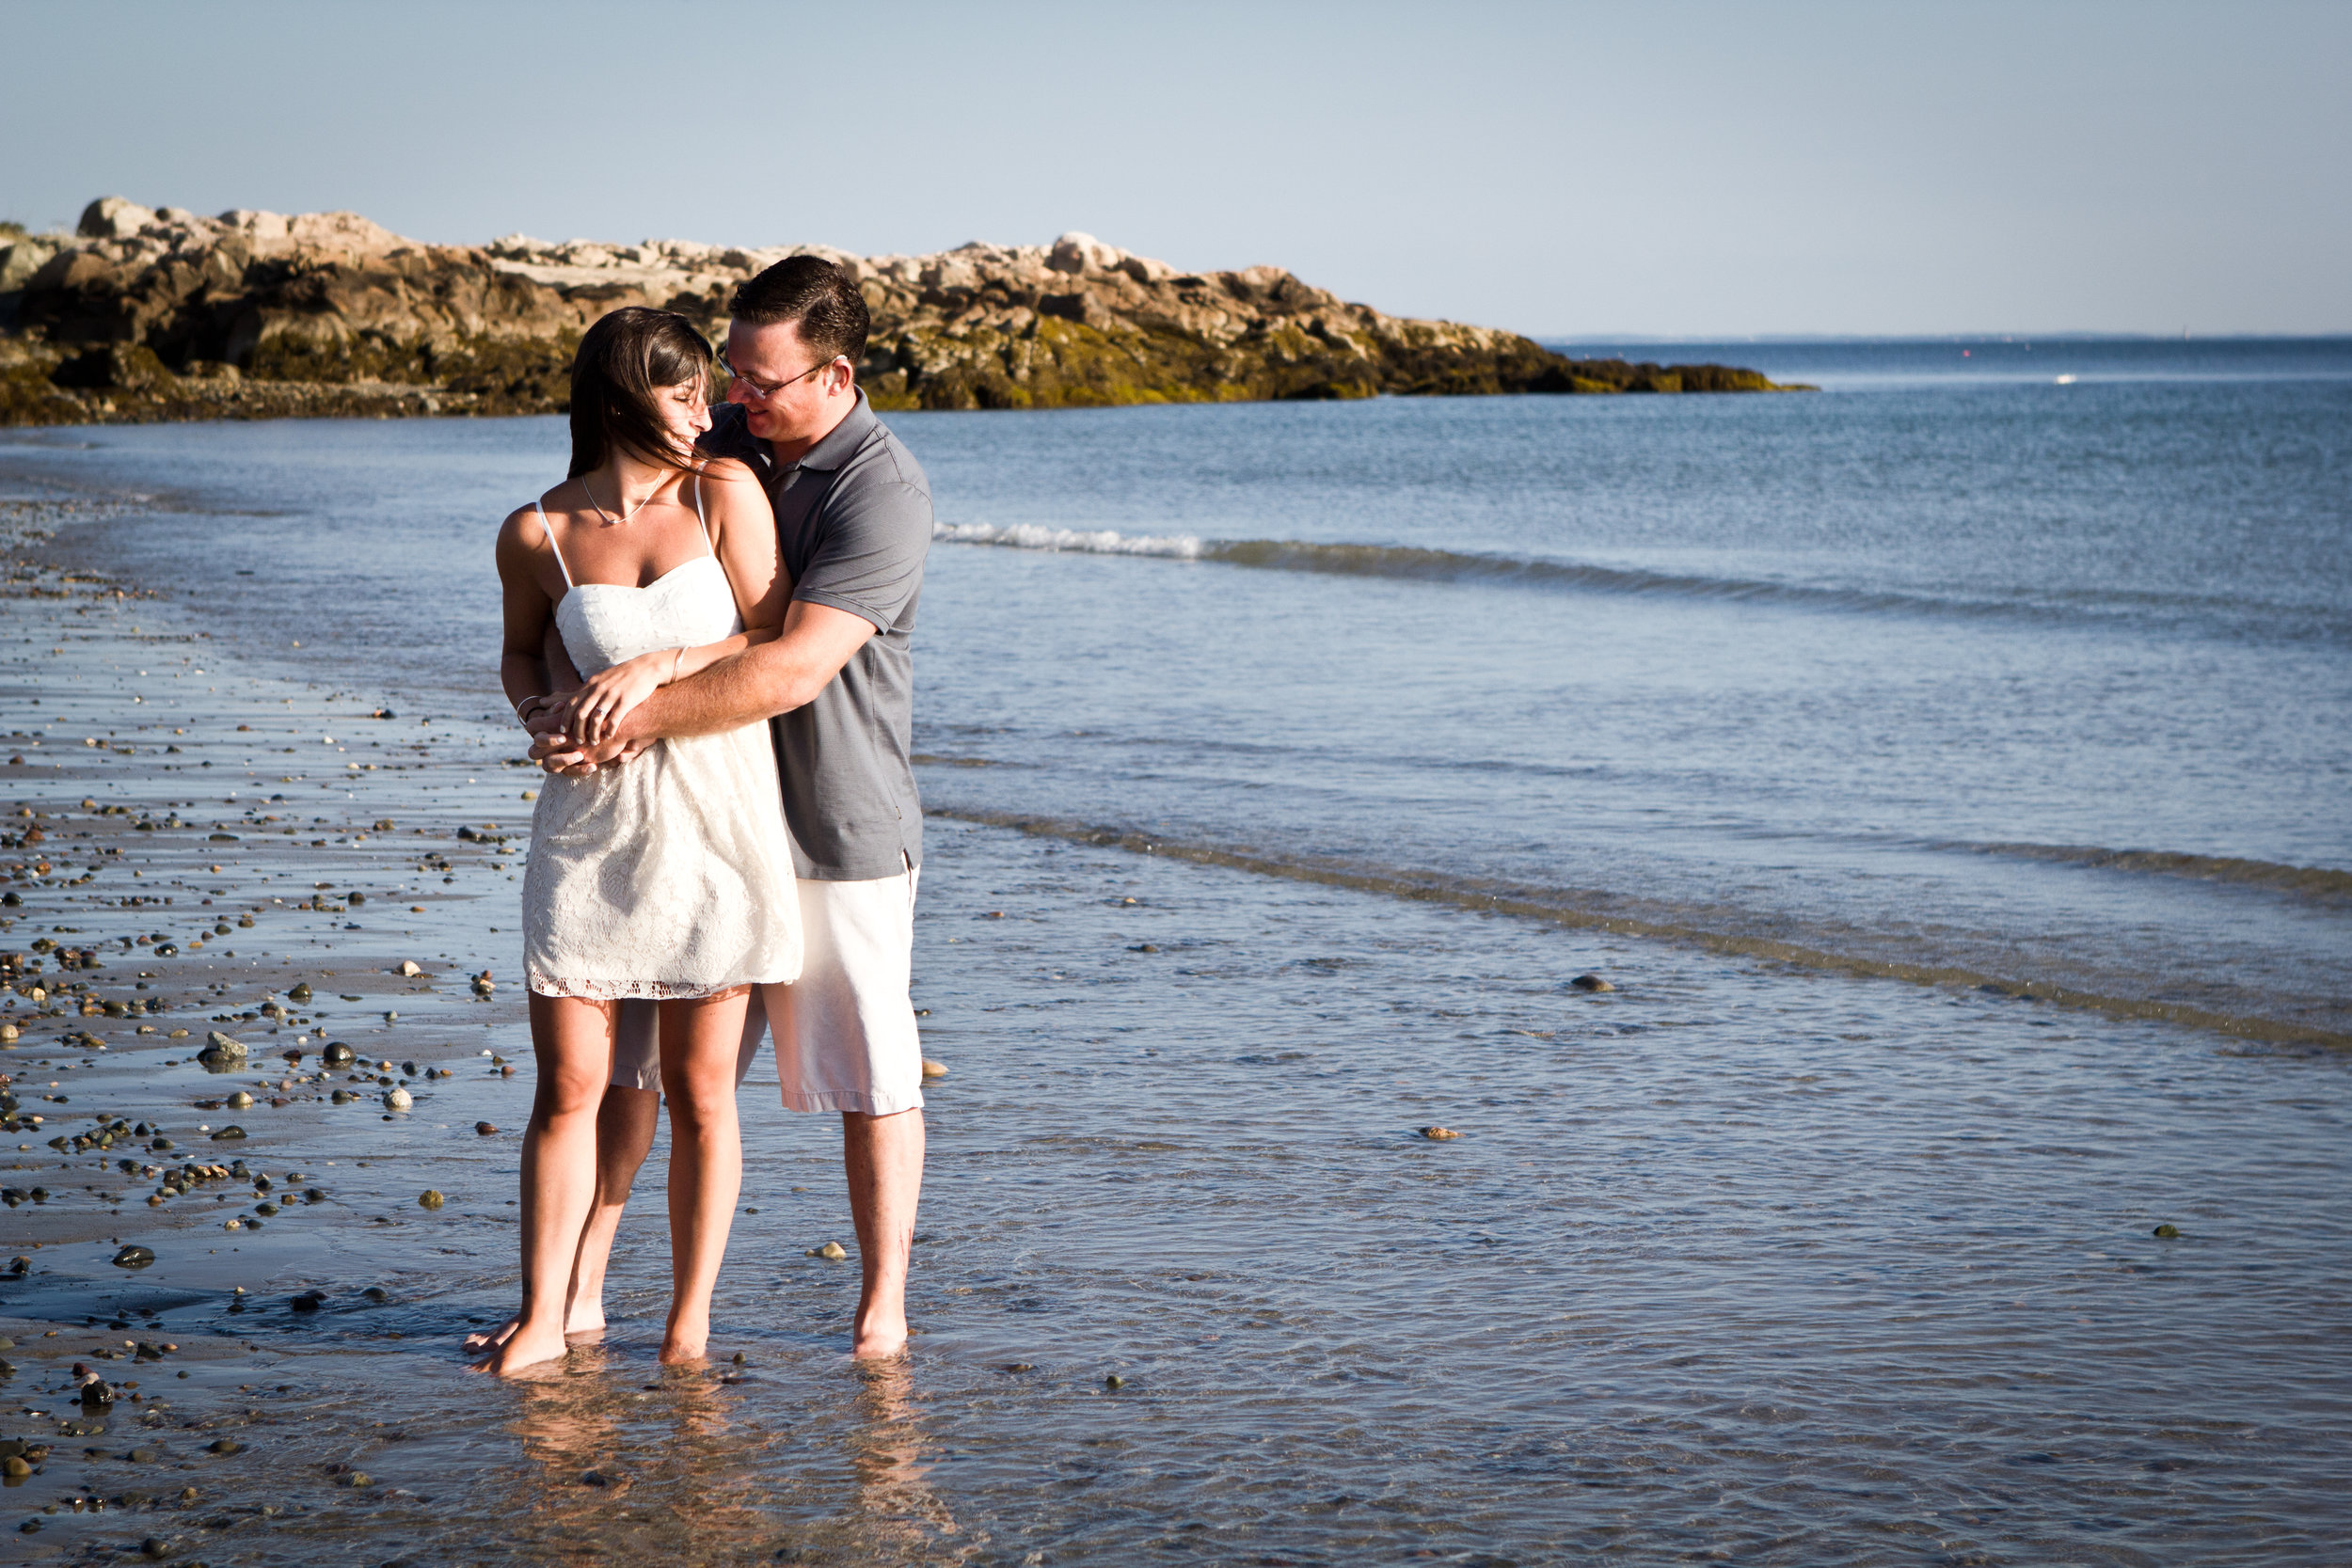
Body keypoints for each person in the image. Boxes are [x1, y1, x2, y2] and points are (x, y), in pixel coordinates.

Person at [531, 256, 934, 1360]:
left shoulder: (882, 491)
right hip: (703, 823)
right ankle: (574, 1292)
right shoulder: (730, 455)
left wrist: (634, 710)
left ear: (836, 372)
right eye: (734, 377)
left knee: (870, 1073)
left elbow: (793, 665)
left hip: (836, 825)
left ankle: (880, 1308)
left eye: (762, 381)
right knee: (643, 1076)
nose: (740, 400)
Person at [483, 305, 802, 1376]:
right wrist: (536, 716)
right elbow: (522, 656)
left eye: (707, 389)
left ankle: (687, 1323)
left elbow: (770, 635)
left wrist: (655, 668)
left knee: (700, 1091)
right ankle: (545, 1314)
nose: (708, 410)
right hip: (590, 830)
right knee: (572, 1085)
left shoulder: (723, 492)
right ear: (623, 397)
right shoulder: (536, 531)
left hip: (717, 820)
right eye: (683, 393)